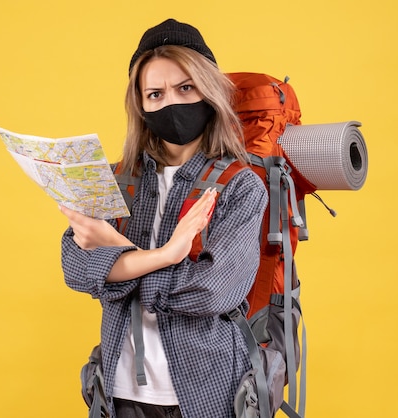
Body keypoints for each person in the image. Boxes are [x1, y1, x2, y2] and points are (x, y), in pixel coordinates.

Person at [60, 18, 268, 418]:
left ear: (209, 91)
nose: (170, 102)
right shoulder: (114, 180)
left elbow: (210, 291)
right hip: (118, 391)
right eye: (155, 93)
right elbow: (75, 267)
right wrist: (166, 255)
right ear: (141, 104)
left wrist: (116, 253)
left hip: (206, 390)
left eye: (185, 88)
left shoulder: (240, 186)